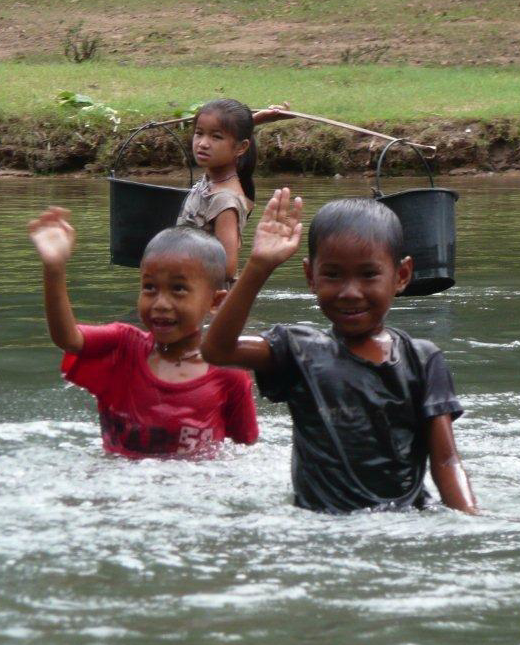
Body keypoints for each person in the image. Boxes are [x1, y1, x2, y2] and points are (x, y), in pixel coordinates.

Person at [202, 190, 477, 514]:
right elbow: (217, 350)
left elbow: (445, 460)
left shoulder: (422, 360)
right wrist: (259, 267)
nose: (350, 292)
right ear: (311, 277)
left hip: (402, 524)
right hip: (322, 528)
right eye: (332, 275)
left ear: (401, 276)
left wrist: (472, 520)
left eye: (368, 275)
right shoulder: (297, 351)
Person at [28, 206, 258, 458]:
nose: (160, 303)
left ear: (214, 302)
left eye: (178, 289)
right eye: (149, 287)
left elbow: (241, 451)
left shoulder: (230, 376)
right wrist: (54, 269)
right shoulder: (121, 345)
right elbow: (68, 339)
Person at [176, 99, 289, 286]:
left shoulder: (224, 201)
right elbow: (231, 133)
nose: (203, 143)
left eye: (215, 137)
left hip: (203, 298)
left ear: (241, 148)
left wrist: (174, 268)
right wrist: (257, 119)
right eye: (199, 133)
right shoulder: (213, 179)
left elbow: (227, 268)